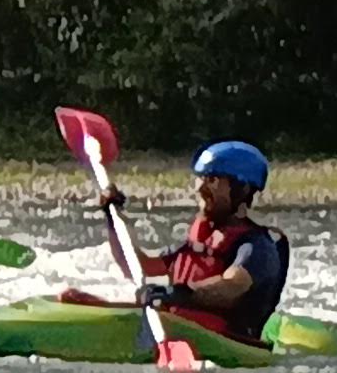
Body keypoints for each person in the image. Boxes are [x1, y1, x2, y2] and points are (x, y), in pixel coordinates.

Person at [123, 139, 287, 344]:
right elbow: (141, 265)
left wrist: (176, 293)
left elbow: (230, 287)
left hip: (226, 341)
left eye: (213, 180)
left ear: (242, 189)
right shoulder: (199, 240)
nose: (200, 188)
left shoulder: (258, 247)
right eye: (201, 178)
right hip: (176, 327)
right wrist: (114, 219)